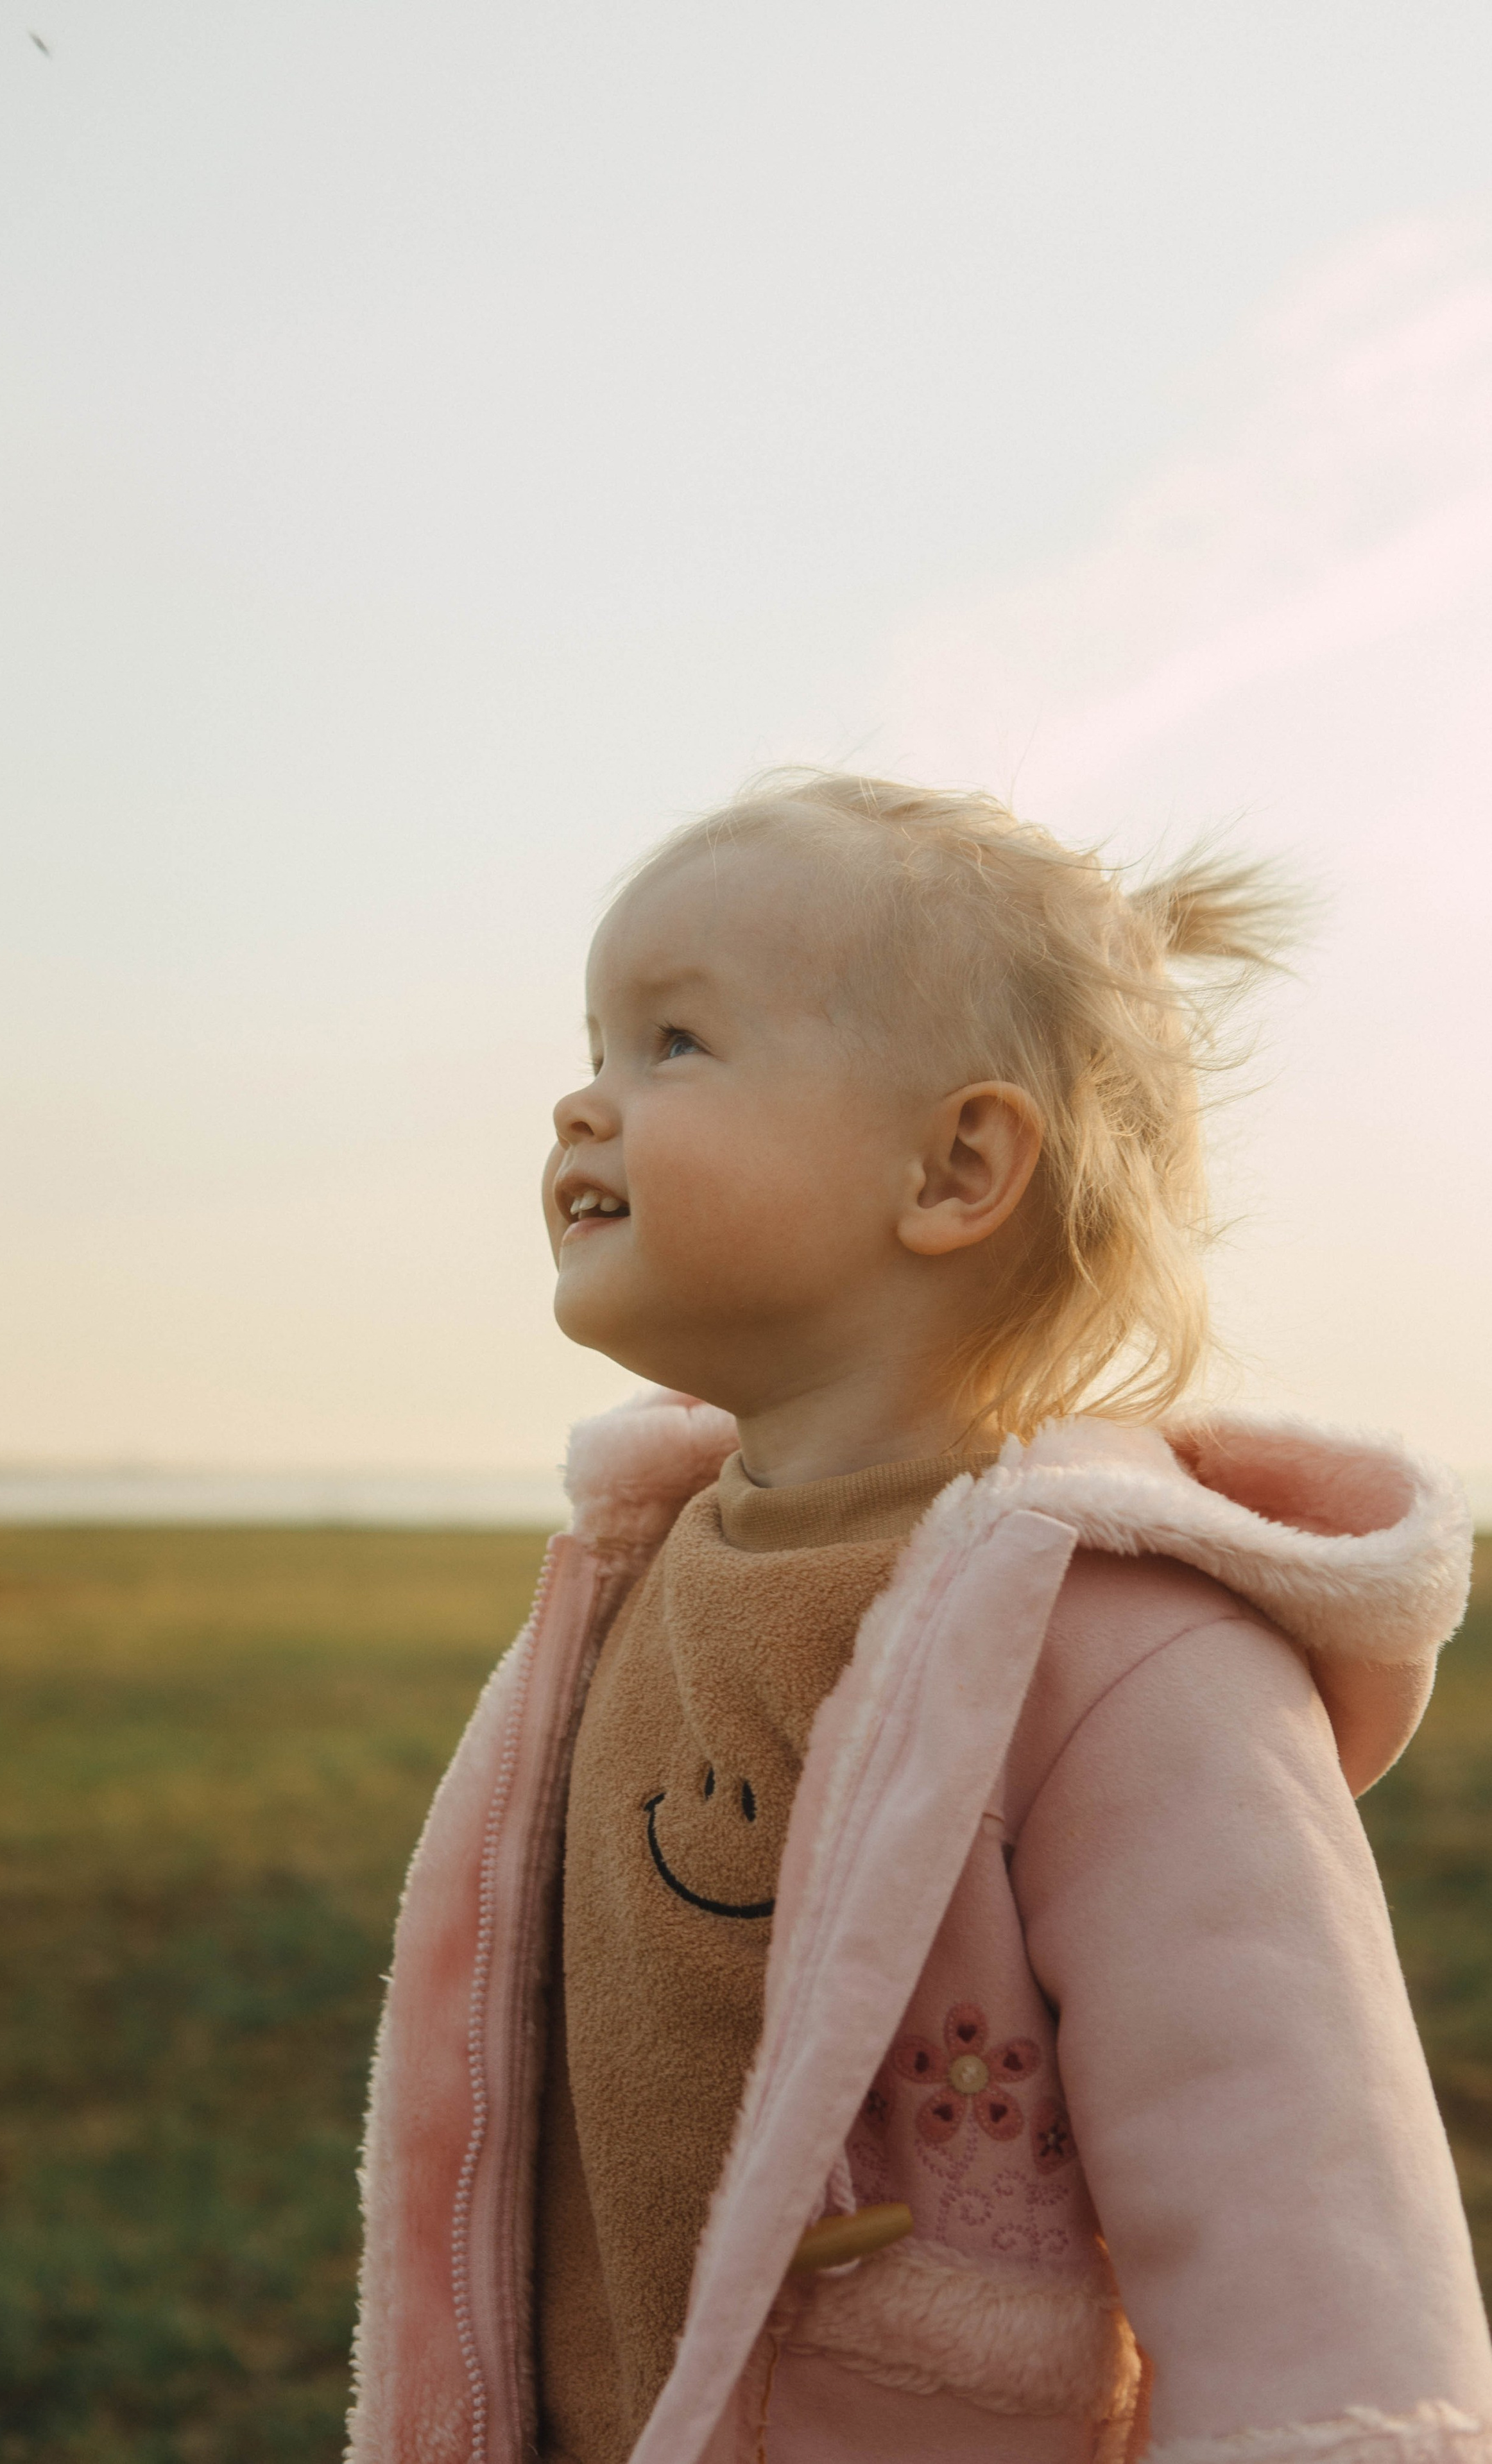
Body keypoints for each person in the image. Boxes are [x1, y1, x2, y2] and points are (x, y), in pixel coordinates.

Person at [348, 773, 1491, 2464]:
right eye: (594, 1043)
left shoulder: (1128, 1652)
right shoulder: (633, 1571)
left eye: (673, 1045)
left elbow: (1306, 2243)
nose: (582, 1107)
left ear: (958, 1167)